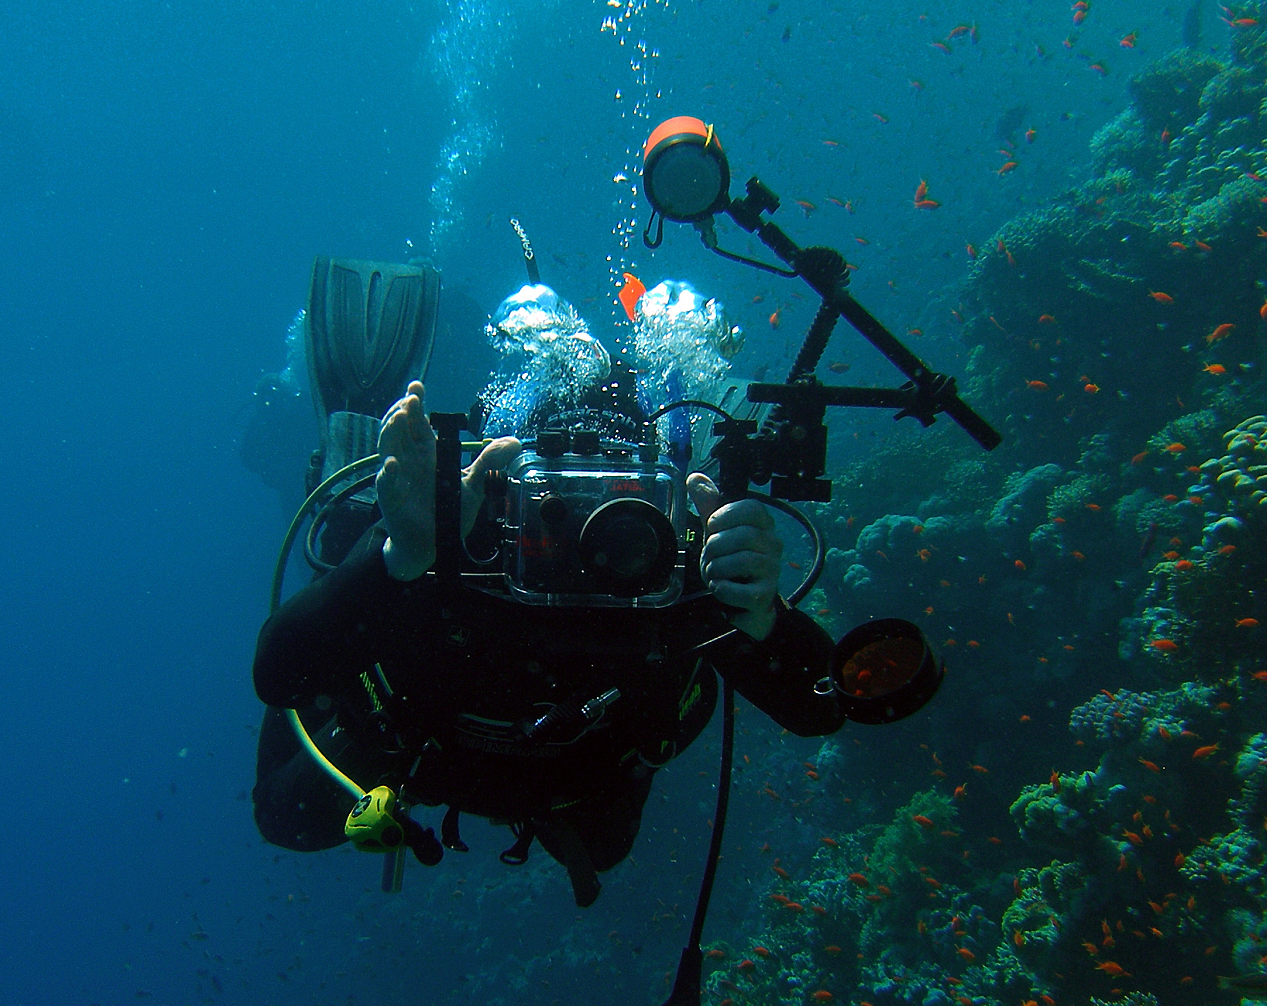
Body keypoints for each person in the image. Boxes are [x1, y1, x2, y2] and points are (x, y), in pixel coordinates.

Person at [251, 372, 848, 907]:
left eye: (619, 497)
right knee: (285, 815)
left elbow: (822, 704)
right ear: (511, 489)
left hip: (581, 781)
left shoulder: (673, 566)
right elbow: (277, 679)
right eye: (556, 501)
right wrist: (397, 558)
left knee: (604, 848)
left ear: (652, 491)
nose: (591, 530)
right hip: (423, 751)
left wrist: (760, 610)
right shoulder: (455, 538)